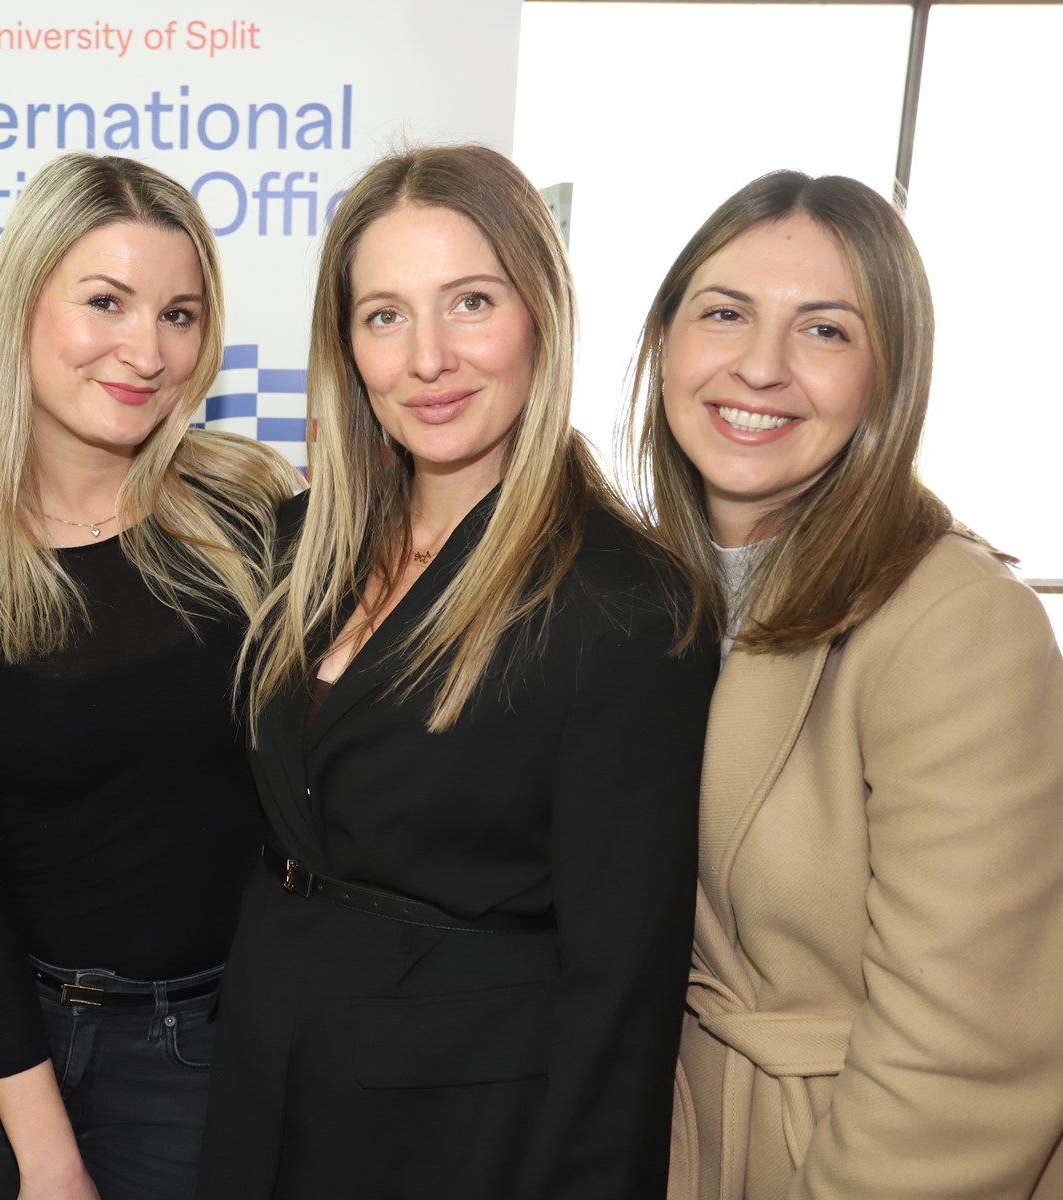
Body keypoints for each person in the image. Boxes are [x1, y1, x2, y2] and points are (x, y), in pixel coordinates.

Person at [195, 144, 718, 1199]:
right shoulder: (298, 544)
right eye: (385, 315)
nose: (428, 358)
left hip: (461, 1133)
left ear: (540, 314)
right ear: (347, 346)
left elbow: (623, 984)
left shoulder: (626, 602)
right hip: (265, 1075)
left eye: (470, 302)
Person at [626, 171, 1063, 1199]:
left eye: (825, 331)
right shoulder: (641, 588)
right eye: (725, 314)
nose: (760, 366)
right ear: (665, 340)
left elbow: (962, 1061)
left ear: (888, 376)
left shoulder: (960, 624)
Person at [0, 152, 301, 1200]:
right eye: (105, 302)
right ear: (23, 306)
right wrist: (48, 1159)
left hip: (198, 1049)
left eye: (178, 315)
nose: (146, 351)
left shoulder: (259, 516)